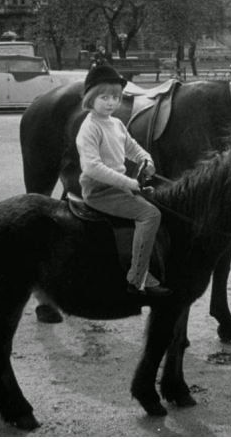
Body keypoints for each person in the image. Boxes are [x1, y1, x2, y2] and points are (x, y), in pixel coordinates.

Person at [75, 64, 168, 297]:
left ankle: (145, 264)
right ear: (90, 98)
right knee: (150, 215)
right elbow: (92, 167)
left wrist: (146, 160)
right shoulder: (89, 127)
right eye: (103, 97)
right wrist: (129, 183)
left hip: (116, 186)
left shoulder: (115, 123)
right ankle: (136, 279)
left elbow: (132, 148)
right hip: (99, 190)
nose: (110, 102)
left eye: (115, 97)